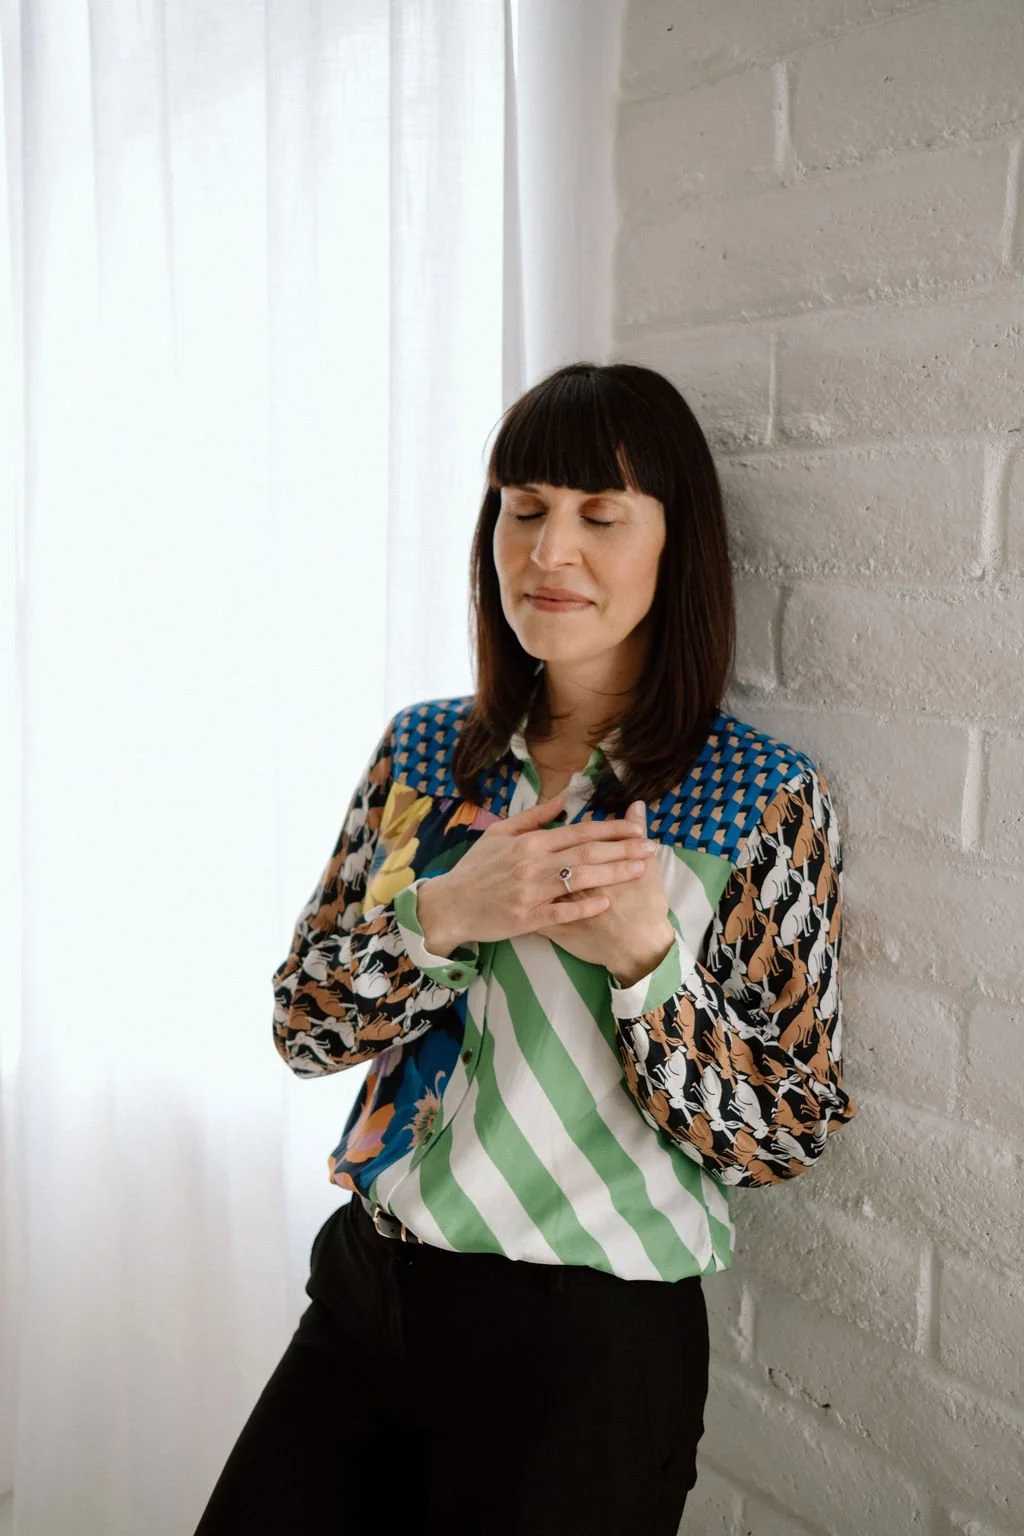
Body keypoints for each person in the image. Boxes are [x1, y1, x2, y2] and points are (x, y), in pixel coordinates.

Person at [193, 361, 857, 1536]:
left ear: (674, 546)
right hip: (368, 1292)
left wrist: (647, 961)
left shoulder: (752, 795)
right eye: (523, 509)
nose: (549, 552)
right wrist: (445, 914)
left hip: (585, 1350)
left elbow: (783, 1129)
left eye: (600, 517)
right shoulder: (425, 755)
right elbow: (304, 1027)